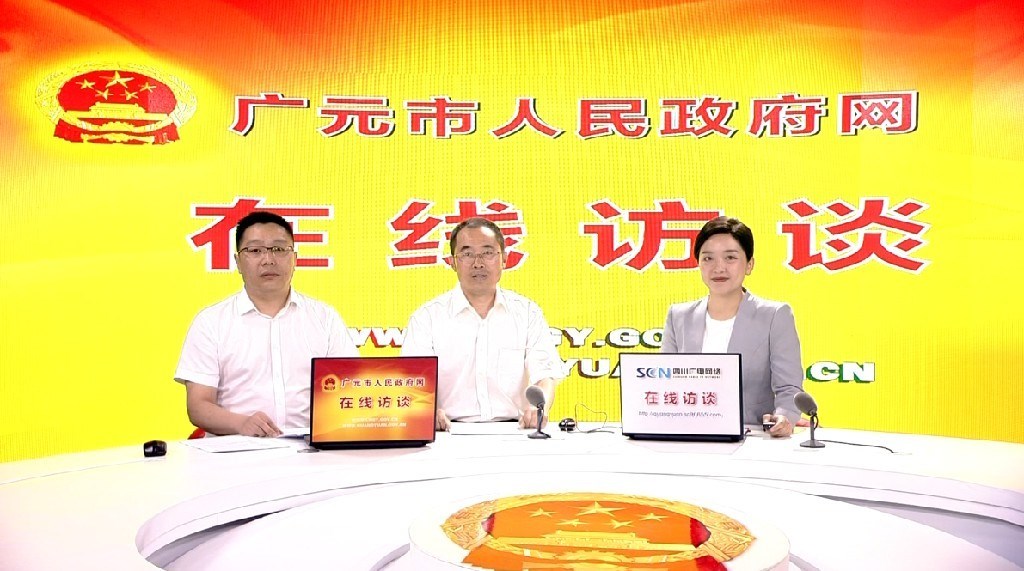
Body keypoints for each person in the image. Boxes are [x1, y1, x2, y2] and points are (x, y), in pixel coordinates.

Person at [174, 211, 357, 437]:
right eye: (255, 250)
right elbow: (198, 406)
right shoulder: (211, 322)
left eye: (279, 249)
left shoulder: (325, 318)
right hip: (236, 448)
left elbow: (351, 389)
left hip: (311, 448)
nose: (268, 259)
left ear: (295, 259)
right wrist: (241, 424)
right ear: (238, 262)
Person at [401, 217, 565, 431]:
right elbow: (414, 382)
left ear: (504, 259)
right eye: (467, 254)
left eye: (488, 253)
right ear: (452, 262)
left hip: (516, 432)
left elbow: (545, 374)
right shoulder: (426, 318)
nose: (478, 263)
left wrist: (539, 407)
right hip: (446, 433)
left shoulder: (527, 313)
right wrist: (427, 412)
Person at [661, 216, 803, 437]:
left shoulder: (775, 316)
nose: (718, 267)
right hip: (687, 436)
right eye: (708, 258)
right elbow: (665, 383)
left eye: (730, 257)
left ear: (749, 264)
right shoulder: (678, 316)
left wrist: (784, 417)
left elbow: (788, 388)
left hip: (752, 437)